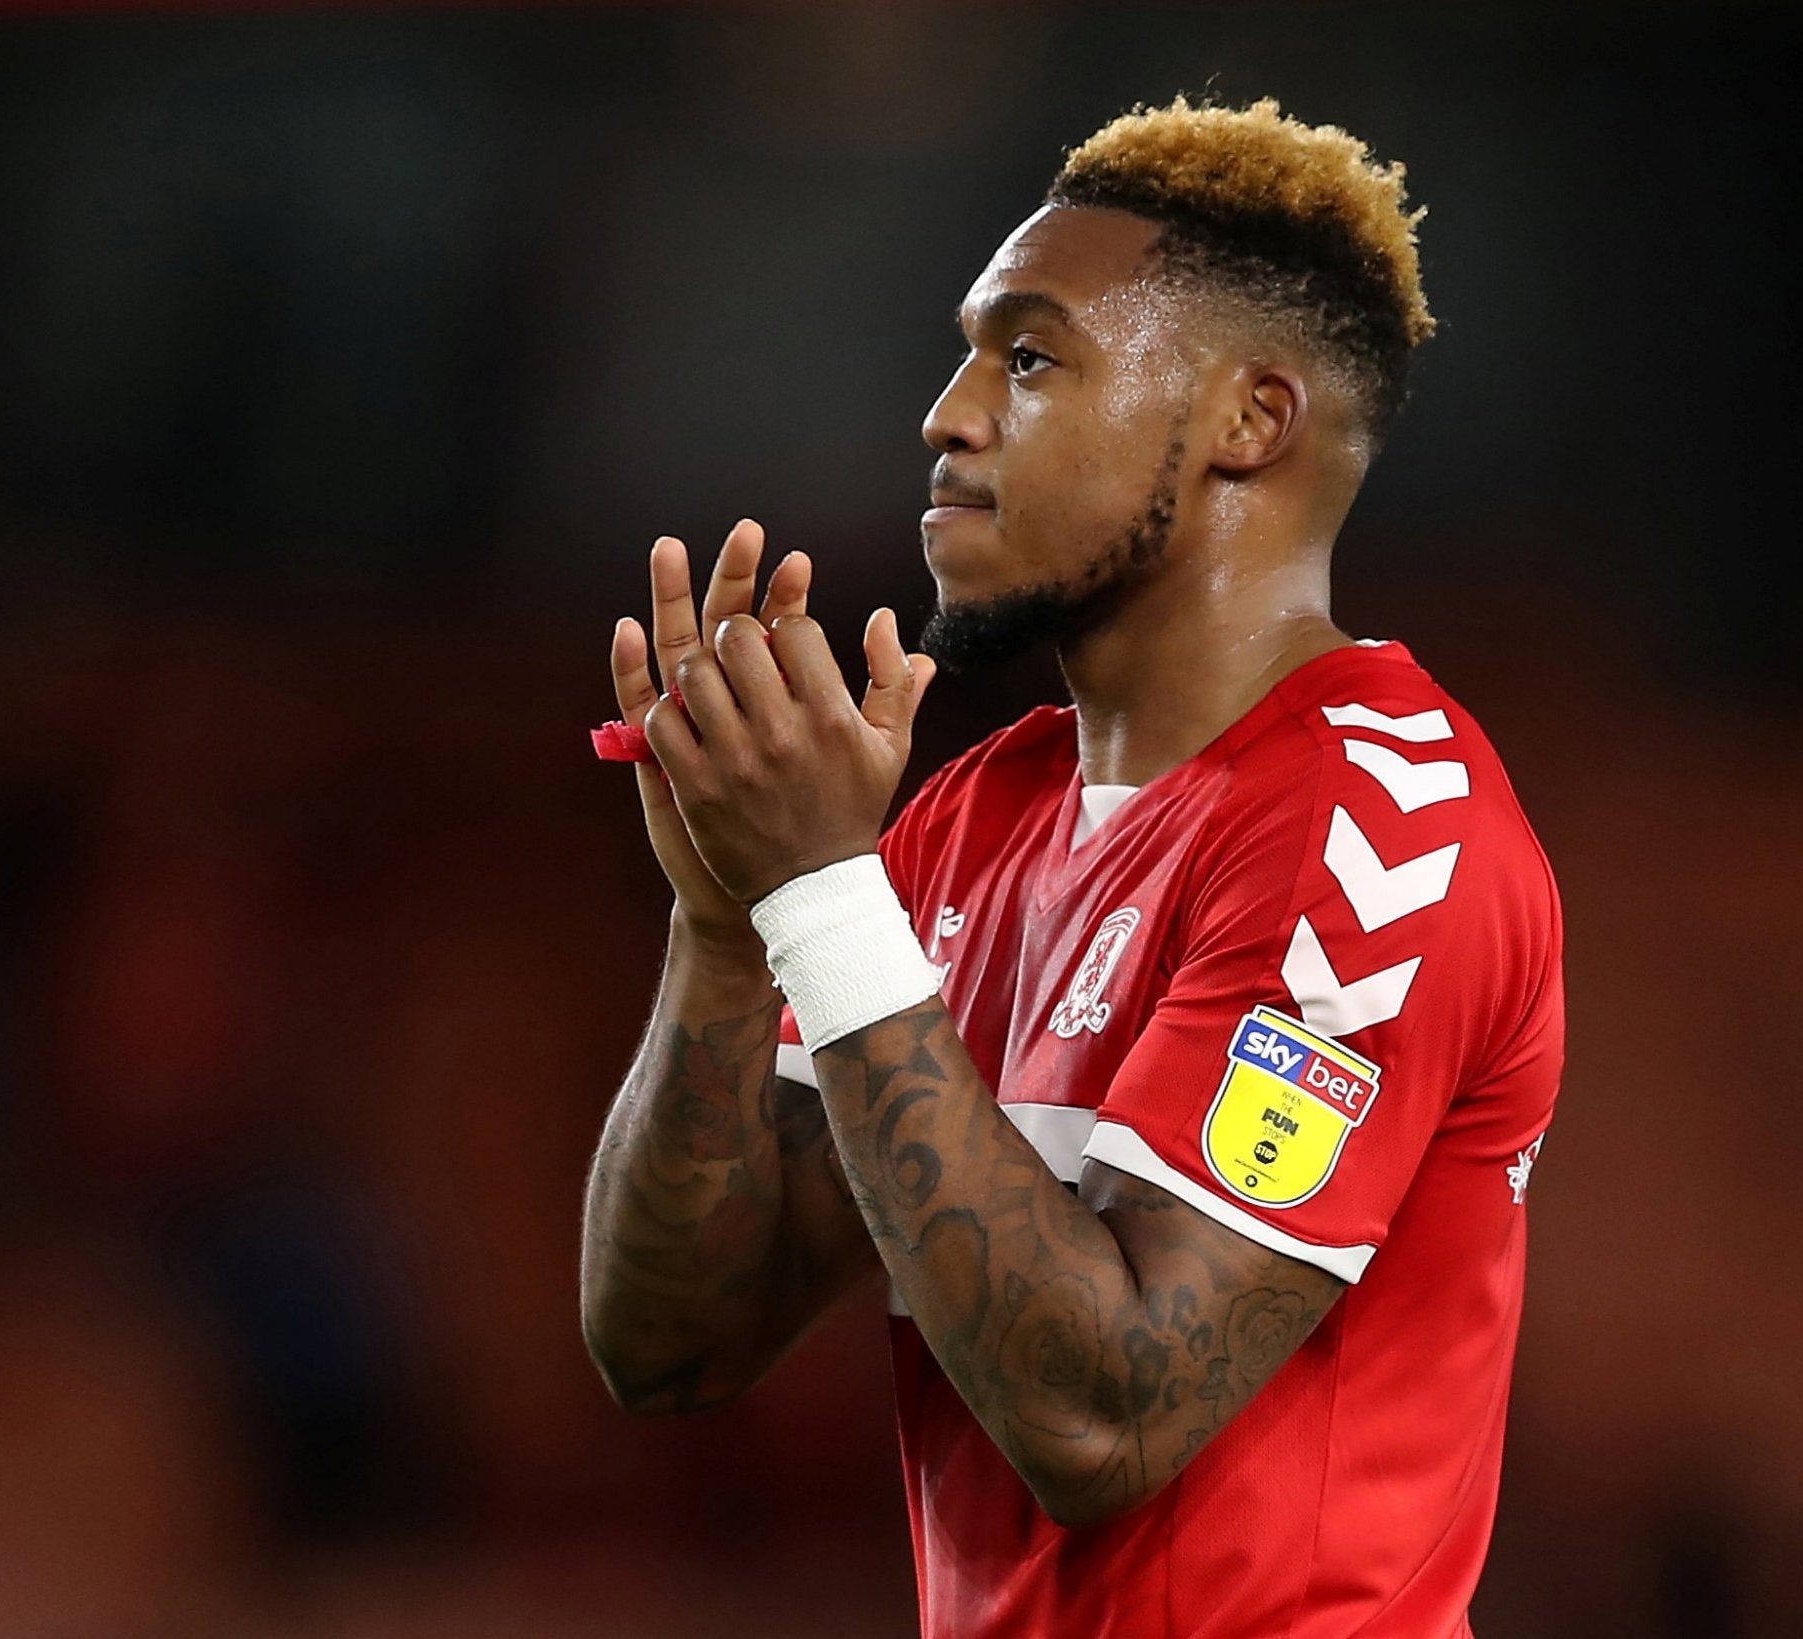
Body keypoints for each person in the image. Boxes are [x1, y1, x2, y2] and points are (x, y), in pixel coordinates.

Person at [579, 95, 1563, 1638]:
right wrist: (727, 921)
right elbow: (669, 1346)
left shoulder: (1375, 832)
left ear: (1250, 422)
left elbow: (1106, 1418)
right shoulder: (979, 817)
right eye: (969, 352)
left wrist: (826, 898)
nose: (947, 415)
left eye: (1028, 358)